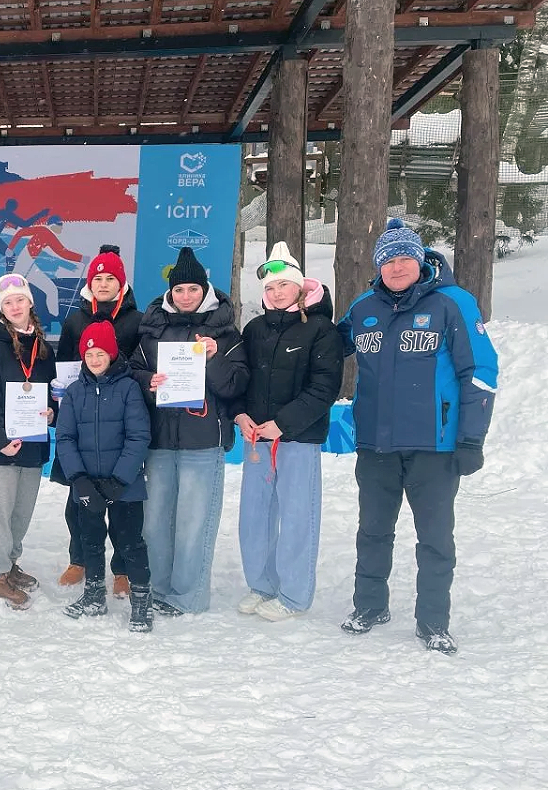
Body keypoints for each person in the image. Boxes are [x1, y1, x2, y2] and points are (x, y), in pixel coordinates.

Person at [337, 220, 498, 655]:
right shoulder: (364, 307)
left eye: (405, 257)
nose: (396, 266)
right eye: (387, 260)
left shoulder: (453, 303)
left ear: (421, 259)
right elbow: (328, 348)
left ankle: (433, 621)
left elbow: (479, 373)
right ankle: (369, 607)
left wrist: (471, 438)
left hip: (435, 446)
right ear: (378, 267)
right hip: (376, 446)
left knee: (435, 538)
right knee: (372, 531)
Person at [130, 246, 249, 616]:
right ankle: (159, 589)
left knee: (194, 521)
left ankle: (188, 596)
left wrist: (212, 359)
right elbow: (132, 372)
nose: (185, 296)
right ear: (170, 292)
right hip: (161, 440)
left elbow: (236, 385)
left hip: (202, 441)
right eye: (179, 290)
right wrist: (149, 380)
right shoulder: (151, 331)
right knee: (155, 520)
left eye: (193, 290)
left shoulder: (225, 332)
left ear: (205, 290)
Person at [231, 243, 343, 622]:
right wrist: (240, 414)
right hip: (258, 439)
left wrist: (284, 423)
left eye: (283, 286)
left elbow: (324, 387)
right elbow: (241, 379)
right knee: (255, 517)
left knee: (297, 516)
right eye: (269, 288)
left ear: (300, 288)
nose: (276, 293)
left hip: (297, 438)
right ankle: (261, 584)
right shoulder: (255, 329)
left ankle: (293, 595)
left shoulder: (320, 330)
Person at [53, 246, 143, 596]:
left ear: (120, 284)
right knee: (80, 498)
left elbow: (142, 364)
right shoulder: (76, 320)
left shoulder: (136, 320)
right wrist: (56, 406)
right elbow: (63, 372)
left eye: (110, 279)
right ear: (89, 283)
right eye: (97, 279)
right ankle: (80, 560)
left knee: (123, 504)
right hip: (82, 423)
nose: (103, 284)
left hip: (120, 423)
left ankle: (121, 567)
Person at [55, 320, 154, 632]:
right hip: (88, 484)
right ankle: (94, 595)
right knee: (90, 540)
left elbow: (138, 437)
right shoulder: (73, 392)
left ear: (111, 354)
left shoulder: (128, 389)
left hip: (124, 484)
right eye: (89, 354)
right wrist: (79, 479)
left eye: (100, 353)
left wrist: (120, 480)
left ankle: (141, 600)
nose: (94, 359)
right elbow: (65, 438)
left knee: (130, 541)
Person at [0, 273, 57, 609]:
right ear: (1, 309)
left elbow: (51, 394)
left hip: (32, 444)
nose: (14, 306)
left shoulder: (43, 349)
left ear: (30, 303)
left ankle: (9, 563)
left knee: (21, 512)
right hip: (2, 448)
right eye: (7, 302)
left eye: (19, 300)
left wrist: (52, 411)